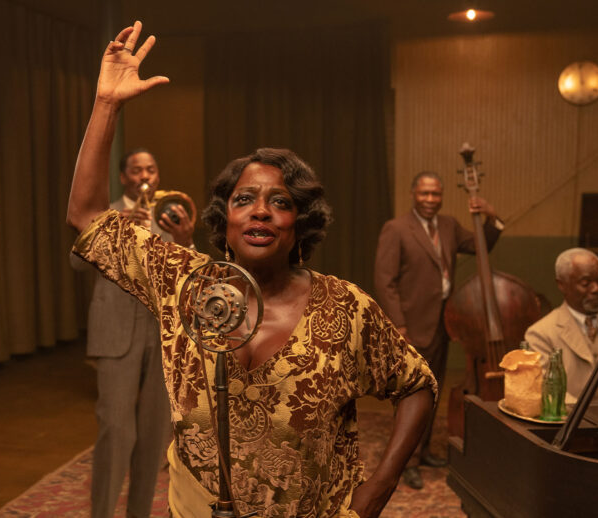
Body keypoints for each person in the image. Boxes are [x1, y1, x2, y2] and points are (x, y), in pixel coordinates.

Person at [66, 22, 436, 518]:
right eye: (244, 200)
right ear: (226, 220)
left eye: (279, 202)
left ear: (300, 223)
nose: (260, 211)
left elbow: (417, 385)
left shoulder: (345, 307)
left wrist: (380, 486)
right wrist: (107, 105)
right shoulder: (184, 283)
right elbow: (86, 216)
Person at [70, 147, 195, 518]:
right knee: (115, 430)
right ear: (124, 177)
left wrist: (187, 240)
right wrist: (117, 225)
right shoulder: (106, 214)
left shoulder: (173, 213)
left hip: (161, 331)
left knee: (155, 434)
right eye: (137, 170)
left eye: (151, 170)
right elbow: (76, 263)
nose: (145, 176)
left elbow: (191, 271)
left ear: (158, 176)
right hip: (115, 331)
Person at [373, 170, 504, 489]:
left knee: (432, 393)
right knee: (412, 396)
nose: (430, 200)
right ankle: (408, 462)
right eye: (424, 194)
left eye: (435, 194)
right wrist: (399, 326)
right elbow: (384, 281)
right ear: (413, 194)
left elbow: (480, 247)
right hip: (412, 328)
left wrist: (491, 218)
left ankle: (425, 450)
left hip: (444, 325)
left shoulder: (449, 226)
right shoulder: (396, 229)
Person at [525, 248, 598, 404]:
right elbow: (545, 388)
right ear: (562, 285)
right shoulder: (540, 334)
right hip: (571, 422)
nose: (597, 289)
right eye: (586, 283)